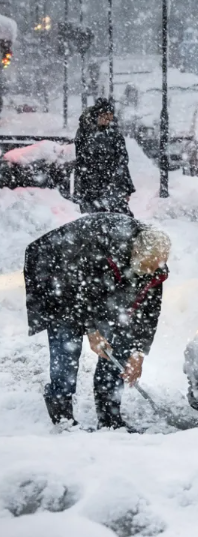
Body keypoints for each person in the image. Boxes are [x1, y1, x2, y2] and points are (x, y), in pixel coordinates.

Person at [24, 214, 170, 430]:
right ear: (136, 253)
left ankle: (110, 417)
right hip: (56, 270)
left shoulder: (154, 266)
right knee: (67, 341)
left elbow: (148, 313)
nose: (152, 272)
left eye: (156, 267)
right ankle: (62, 414)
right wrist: (92, 331)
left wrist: (138, 353)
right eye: (148, 266)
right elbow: (76, 291)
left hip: (96, 281)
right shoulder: (99, 248)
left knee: (121, 340)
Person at [74, 98, 136, 216]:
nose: (108, 120)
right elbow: (81, 160)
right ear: (97, 115)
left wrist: (127, 188)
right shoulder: (85, 132)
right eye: (105, 116)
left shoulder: (114, 134)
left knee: (120, 217)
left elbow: (122, 161)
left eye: (110, 116)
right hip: (91, 185)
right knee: (94, 219)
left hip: (112, 184)